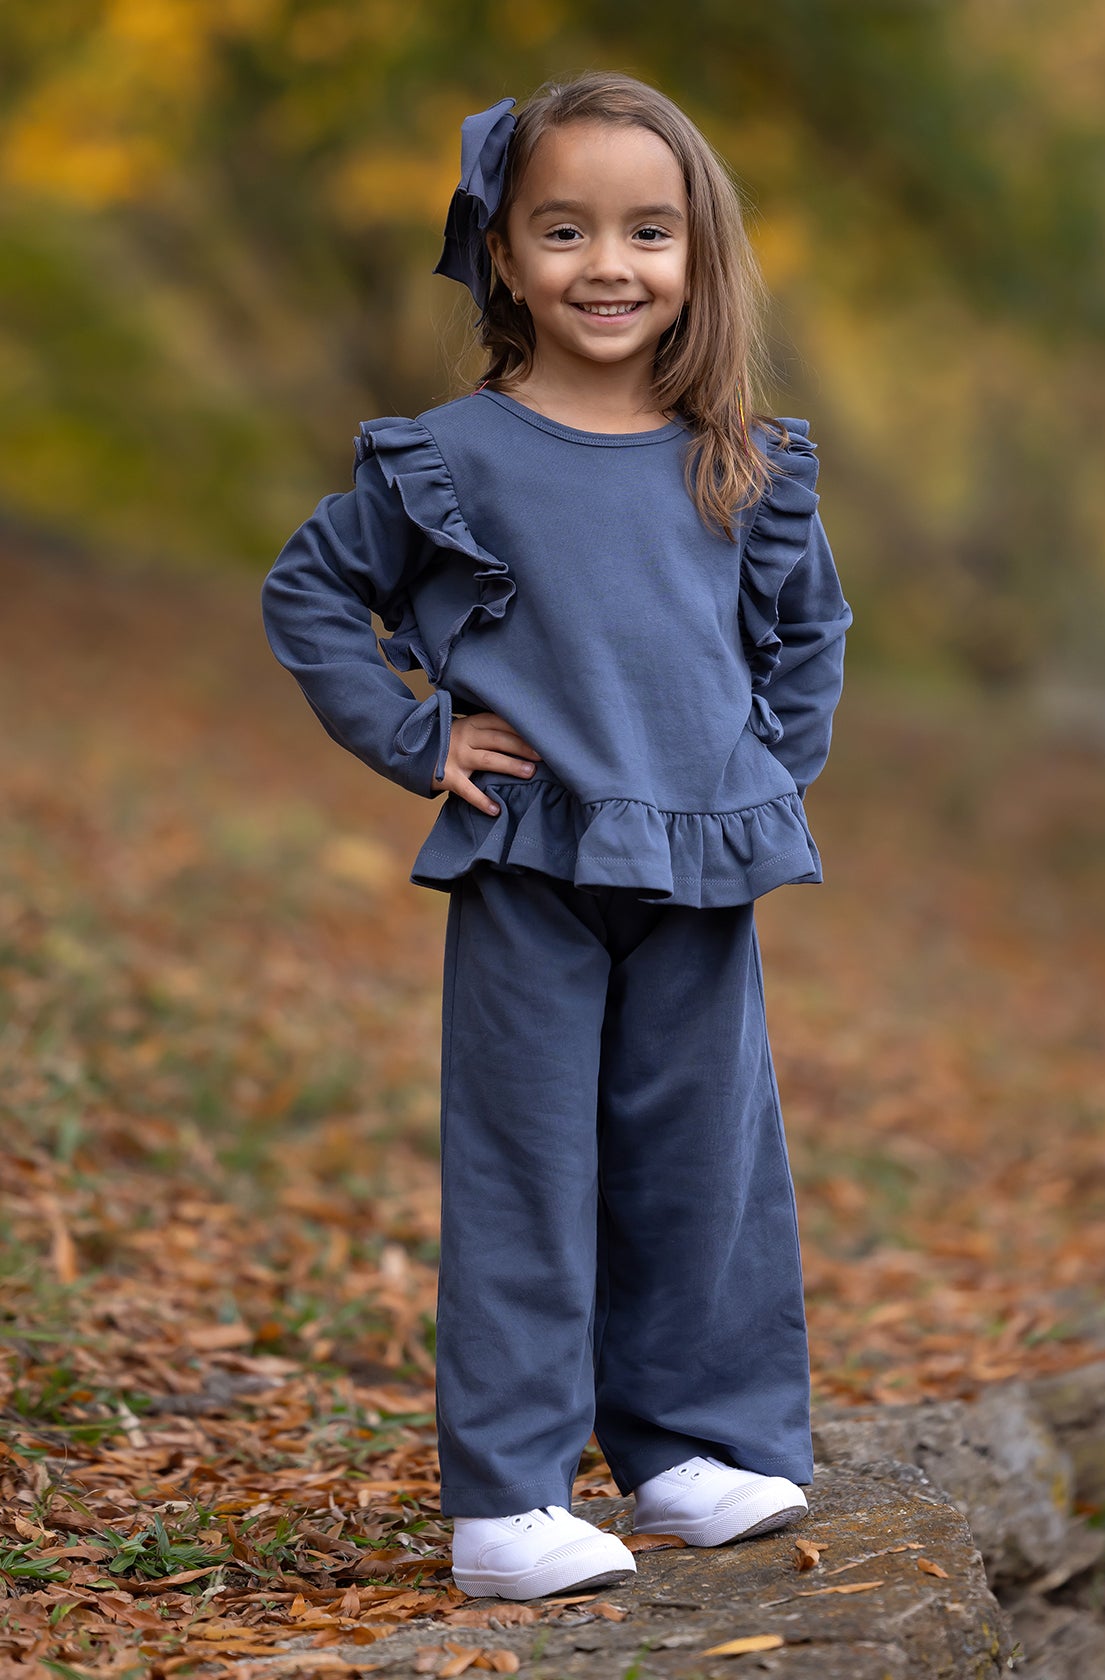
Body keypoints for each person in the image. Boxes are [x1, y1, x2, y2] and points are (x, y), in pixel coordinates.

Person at [261, 71, 852, 1603]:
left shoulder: (739, 458)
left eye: (649, 231)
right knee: (526, 1170)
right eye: (566, 228)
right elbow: (311, 594)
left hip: (699, 871)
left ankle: (686, 1453)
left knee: (704, 1162)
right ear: (505, 255)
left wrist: (758, 773)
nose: (610, 263)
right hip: (529, 864)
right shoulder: (457, 456)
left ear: (698, 256)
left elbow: (810, 632)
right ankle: (509, 1499)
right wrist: (419, 737)